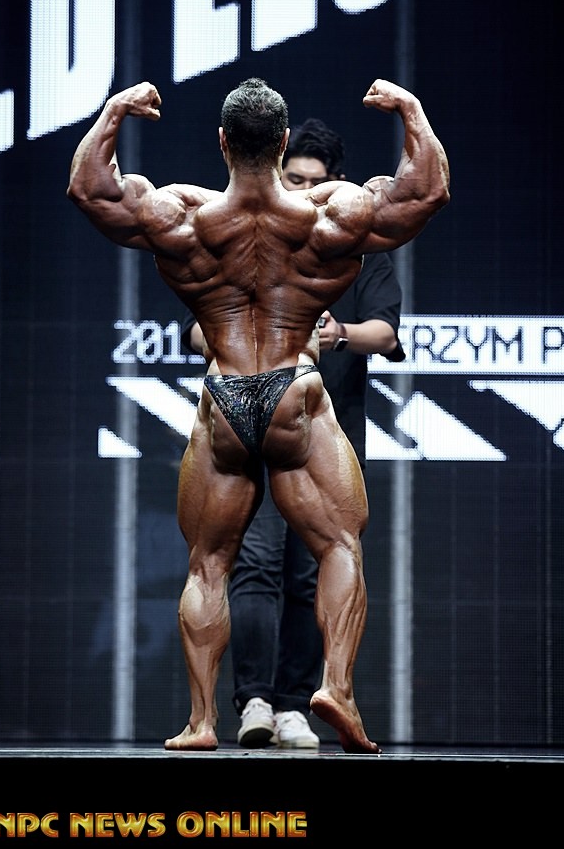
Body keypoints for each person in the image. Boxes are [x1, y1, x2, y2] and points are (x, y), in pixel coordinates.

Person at [67, 76, 449, 753]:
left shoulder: (183, 216)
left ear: (222, 142)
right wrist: (411, 111)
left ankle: (201, 721)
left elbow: (90, 190)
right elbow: (425, 191)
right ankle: (337, 688)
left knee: (209, 563)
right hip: (292, 389)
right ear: (282, 142)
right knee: (338, 545)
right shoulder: (328, 215)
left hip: (225, 396)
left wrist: (115, 112)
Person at [181, 117, 406, 750]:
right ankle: (254, 700)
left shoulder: (353, 240)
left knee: (313, 569)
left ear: (335, 183)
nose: (303, 189)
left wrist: (339, 334)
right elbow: (196, 329)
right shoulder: (248, 231)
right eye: (294, 178)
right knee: (250, 564)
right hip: (261, 416)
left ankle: (292, 704)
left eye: (314, 181)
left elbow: (386, 331)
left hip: (325, 425)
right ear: (278, 168)